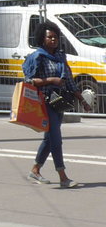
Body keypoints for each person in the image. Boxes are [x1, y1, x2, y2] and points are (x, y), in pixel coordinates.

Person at [23, 20, 87, 188]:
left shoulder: (60, 56)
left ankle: (35, 170)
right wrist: (50, 80)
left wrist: (82, 100)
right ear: (42, 39)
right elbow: (29, 80)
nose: (53, 40)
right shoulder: (38, 56)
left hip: (59, 101)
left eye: (55, 37)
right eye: (50, 37)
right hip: (45, 101)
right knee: (56, 139)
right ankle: (63, 176)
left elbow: (69, 81)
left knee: (49, 139)